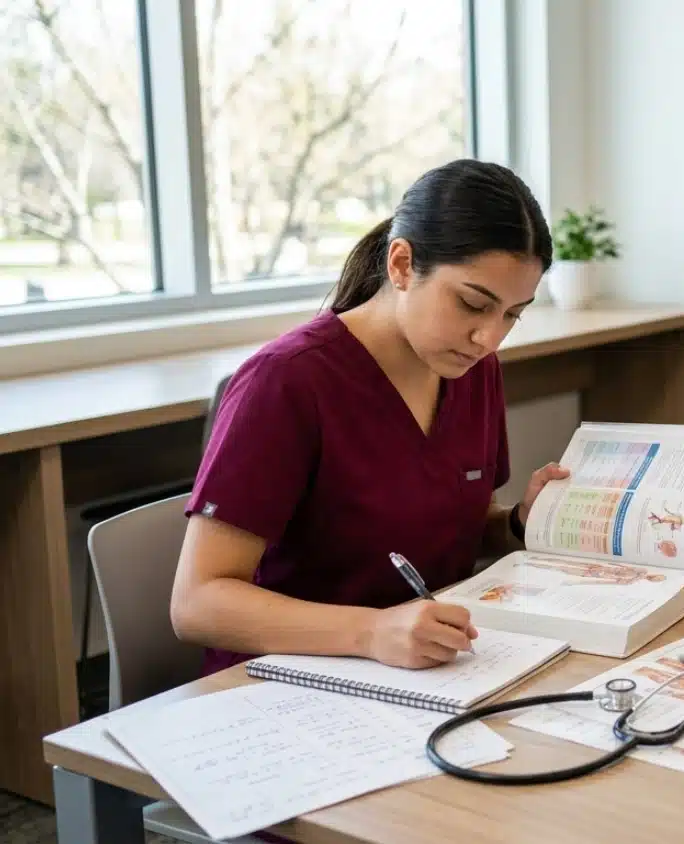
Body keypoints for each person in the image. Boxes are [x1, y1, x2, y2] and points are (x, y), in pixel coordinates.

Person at [170, 159, 570, 673]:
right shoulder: (288, 381)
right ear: (401, 265)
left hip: (427, 671)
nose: (490, 337)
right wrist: (373, 631)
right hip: (282, 683)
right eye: (473, 303)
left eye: (513, 314)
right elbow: (197, 604)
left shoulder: (471, 369)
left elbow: (456, 525)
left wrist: (517, 522)